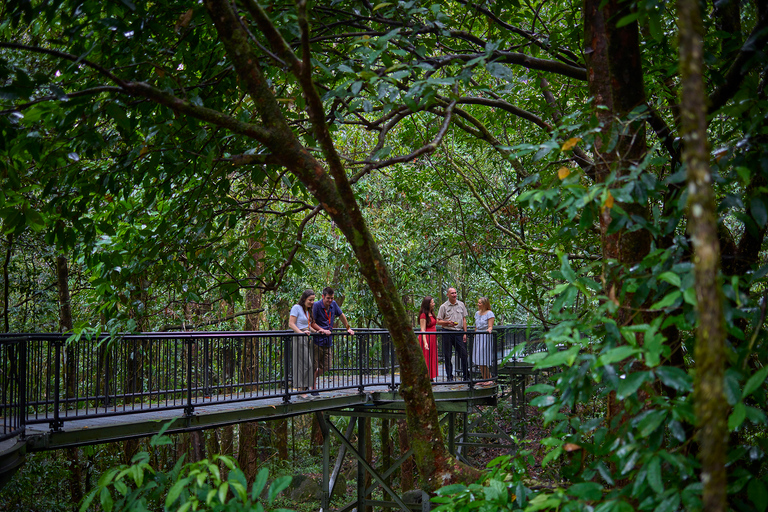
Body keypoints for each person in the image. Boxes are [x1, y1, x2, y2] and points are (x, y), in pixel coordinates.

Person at [310, 287, 355, 395]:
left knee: (327, 366)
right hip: (317, 340)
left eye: (332, 298)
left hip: (328, 341)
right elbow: (312, 323)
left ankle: (309, 380)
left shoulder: (333, 304)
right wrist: (322, 330)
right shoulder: (316, 306)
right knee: (315, 365)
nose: (330, 300)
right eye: (328, 298)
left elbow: (341, 315)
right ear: (323, 297)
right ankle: (313, 388)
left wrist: (348, 327)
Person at [288, 289, 316, 398]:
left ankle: (302, 390)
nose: (312, 302)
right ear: (304, 299)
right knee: (305, 364)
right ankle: (300, 391)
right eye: (310, 300)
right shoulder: (296, 308)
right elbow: (291, 324)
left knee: (306, 365)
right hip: (299, 337)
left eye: (313, 300)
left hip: (306, 337)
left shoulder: (307, 311)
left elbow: (307, 325)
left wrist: (317, 331)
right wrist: (301, 333)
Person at [436, 287, 469, 381]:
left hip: (459, 332)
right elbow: (438, 321)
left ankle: (466, 376)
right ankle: (449, 376)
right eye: (452, 293)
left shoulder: (461, 304)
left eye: (455, 293)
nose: (454, 295)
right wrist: (447, 322)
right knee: (448, 355)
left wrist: (465, 333)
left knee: (463, 354)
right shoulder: (443, 306)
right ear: (448, 295)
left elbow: (464, 319)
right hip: (447, 332)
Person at [472, 297, 495, 386]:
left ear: (485, 304)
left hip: (485, 336)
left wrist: (489, 330)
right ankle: (484, 378)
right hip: (478, 336)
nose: (478, 304)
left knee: (483, 357)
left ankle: (489, 378)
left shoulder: (489, 313)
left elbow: (490, 326)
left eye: (480, 303)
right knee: (478, 357)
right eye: (478, 303)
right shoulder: (477, 313)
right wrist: (474, 335)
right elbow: (476, 326)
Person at [418, 296, 438, 381]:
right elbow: (423, 329)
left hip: (433, 338)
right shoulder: (423, 314)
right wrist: (425, 342)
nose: (433, 304)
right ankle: (425, 377)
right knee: (426, 357)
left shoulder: (432, 313)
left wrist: (436, 340)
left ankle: (431, 376)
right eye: (432, 302)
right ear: (428, 304)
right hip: (426, 338)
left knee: (432, 357)